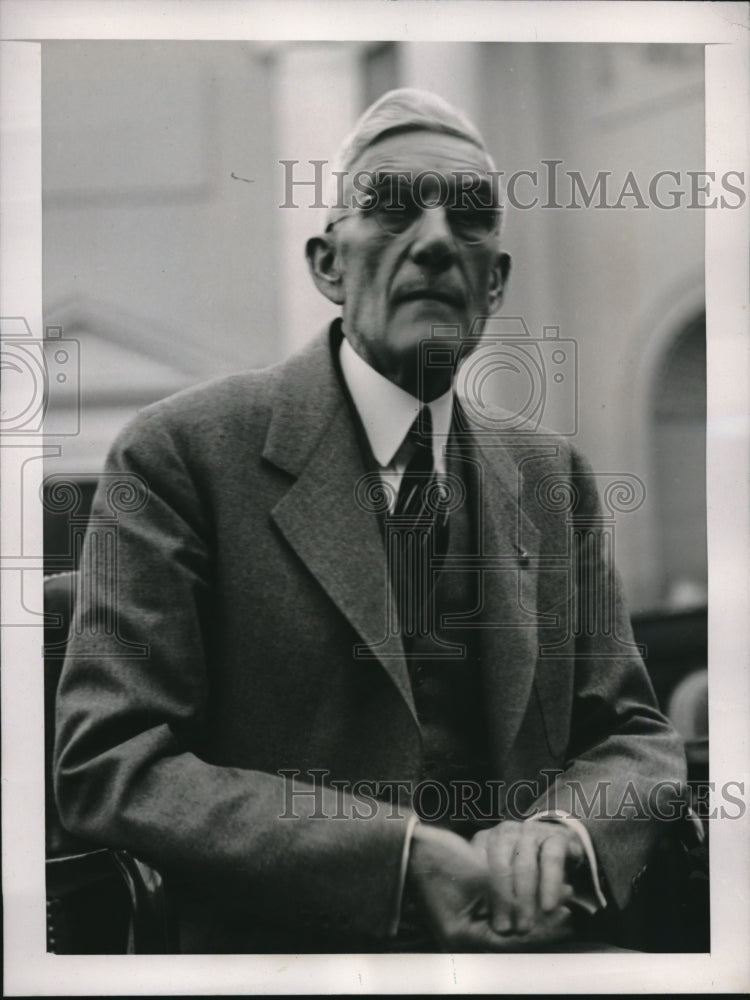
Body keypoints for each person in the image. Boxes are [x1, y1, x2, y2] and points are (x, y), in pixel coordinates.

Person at [54, 88, 687, 953]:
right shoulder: (181, 456)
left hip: (532, 955)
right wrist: (388, 861)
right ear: (327, 266)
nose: (434, 240)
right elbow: (111, 761)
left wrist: (564, 835)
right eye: (392, 211)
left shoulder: (552, 478)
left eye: (470, 223)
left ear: (493, 283)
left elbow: (633, 736)